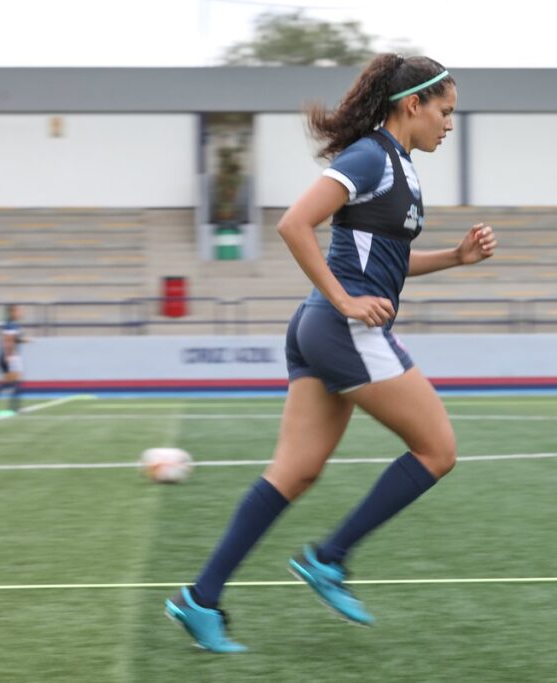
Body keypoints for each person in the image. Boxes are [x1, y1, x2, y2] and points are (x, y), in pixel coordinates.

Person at [166, 54, 497, 653]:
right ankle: (329, 558)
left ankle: (200, 599)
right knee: (438, 449)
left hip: (320, 328)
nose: (450, 124)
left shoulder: (399, 165)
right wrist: (345, 300)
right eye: (445, 111)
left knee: (295, 472)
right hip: (342, 328)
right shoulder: (371, 156)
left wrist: (455, 258)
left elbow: (388, 262)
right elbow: (295, 223)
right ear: (413, 104)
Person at [0, 304, 26, 417]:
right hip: (11, 356)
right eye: (17, 311)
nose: (20, 313)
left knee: (14, 382)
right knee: (13, 382)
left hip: (14, 355)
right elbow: (7, 340)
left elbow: (14, 340)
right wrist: (7, 355)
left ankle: (15, 407)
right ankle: (15, 408)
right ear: (12, 312)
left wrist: (24, 340)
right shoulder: (9, 324)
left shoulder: (14, 324)